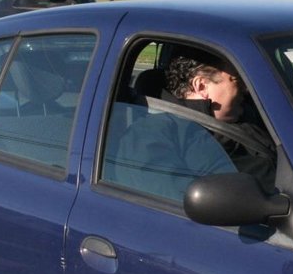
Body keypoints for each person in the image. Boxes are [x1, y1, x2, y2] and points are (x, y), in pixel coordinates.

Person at [111, 50, 275, 198]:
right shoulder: (152, 134)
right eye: (237, 80)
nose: (246, 89)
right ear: (201, 86)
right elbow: (180, 204)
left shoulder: (251, 115)